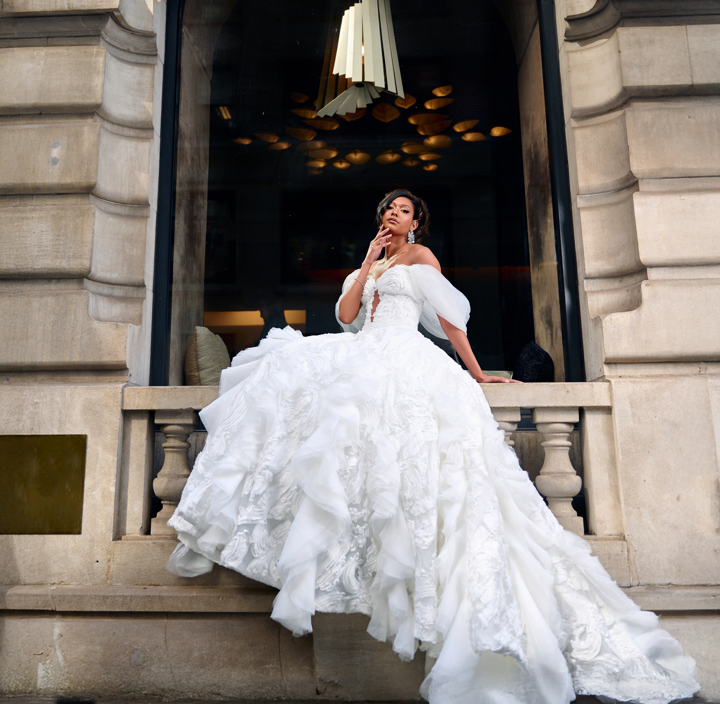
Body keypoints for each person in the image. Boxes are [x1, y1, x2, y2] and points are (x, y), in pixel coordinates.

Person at [167, 189, 699, 704]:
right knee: (294, 388)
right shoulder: (371, 262)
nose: (394, 214)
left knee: (416, 458)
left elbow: (448, 321)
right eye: (388, 209)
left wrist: (478, 373)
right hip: (365, 351)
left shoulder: (421, 258)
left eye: (403, 210)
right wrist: (368, 261)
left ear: (416, 221)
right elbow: (347, 318)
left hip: (406, 355)